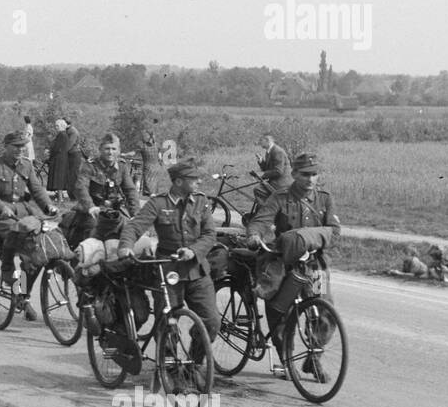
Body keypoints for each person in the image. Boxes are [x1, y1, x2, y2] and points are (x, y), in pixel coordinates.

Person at [244, 152, 341, 374]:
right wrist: (254, 236)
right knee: (280, 314)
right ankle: (286, 359)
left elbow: (335, 231)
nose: (310, 179)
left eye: (314, 174)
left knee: (324, 312)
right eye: (305, 174)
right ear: (295, 174)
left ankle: (314, 356)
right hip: (284, 264)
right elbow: (260, 221)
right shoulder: (280, 197)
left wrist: (311, 237)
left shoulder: (324, 199)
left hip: (314, 265)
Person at [117, 157, 221, 344]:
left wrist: (193, 251)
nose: (199, 182)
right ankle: (169, 367)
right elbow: (134, 227)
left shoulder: (200, 201)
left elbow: (209, 234)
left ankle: (195, 363)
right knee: (168, 322)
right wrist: (126, 247)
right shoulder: (158, 203)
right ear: (179, 181)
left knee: (211, 322)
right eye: (194, 179)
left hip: (197, 271)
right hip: (168, 272)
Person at [0, 131, 58, 318]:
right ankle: (8, 270)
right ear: (6, 146)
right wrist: (0, 207)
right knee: (20, 240)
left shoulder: (26, 165)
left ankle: (23, 293)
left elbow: (37, 190)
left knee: (38, 252)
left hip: (23, 211)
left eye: (23, 146)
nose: (20, 150)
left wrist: (49, 205)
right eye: (16, 146)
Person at [69, 131, 140, 249]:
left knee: (130, 233)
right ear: (100, 149)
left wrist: (136, 214)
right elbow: (81, 188)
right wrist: (90, 207)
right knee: (93, 235)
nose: (110, 152)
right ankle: (86, 263)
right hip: (92, 211)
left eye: (114, 149)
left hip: (113, 212)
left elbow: (130, 191)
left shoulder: (122, 166)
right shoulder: (90, 165)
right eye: (107, 148)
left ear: (118, 150)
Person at [255, 133, 291, 201]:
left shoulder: (277, 151)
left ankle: (267, 209)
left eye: (261, 140)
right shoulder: (269, 151)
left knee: (258, 189)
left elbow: (278, 171)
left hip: (282, 183)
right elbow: (268, 169)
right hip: (276, 181)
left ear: (267, 140)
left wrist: (263, 174)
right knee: (260, 188)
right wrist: (261, 161)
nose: (259, 142)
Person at [47, 119, 70, 198]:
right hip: (61, 158)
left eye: (57, 126)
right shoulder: (63, 134)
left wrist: (50, 153)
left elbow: (57, 148)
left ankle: (60, 198)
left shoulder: (62, 135)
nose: (56, 127)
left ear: (62, 126)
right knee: (59, 178)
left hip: (59, 159)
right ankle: (59, 197)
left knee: (58, 178)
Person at [139, 130, 160, 197]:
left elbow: (134, 152)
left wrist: (124, 154)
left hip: (149, 168)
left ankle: (151, 195)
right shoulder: (157, 145)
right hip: (155, 168)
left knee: (150, 186)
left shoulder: (143, 146)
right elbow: (160, 158)